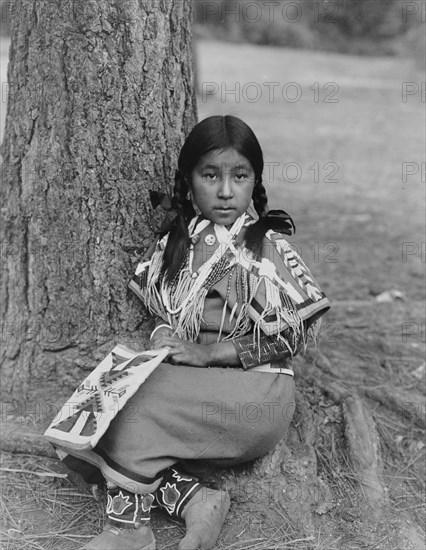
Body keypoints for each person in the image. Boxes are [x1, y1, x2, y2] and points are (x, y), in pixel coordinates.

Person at [58, 115, 330, 550]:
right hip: (198, 386)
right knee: (89, 405)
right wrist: (166, 334)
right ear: (189, 182)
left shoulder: (265, 248)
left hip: (255, 393)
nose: (225, 191)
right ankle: (196, 501)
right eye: (210, 175)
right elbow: (165, 307)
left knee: (131, 409)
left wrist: (207, 354)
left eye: (239, 176)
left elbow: (290, 337)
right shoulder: (178, 242)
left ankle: (128, 531)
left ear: (254, 181)